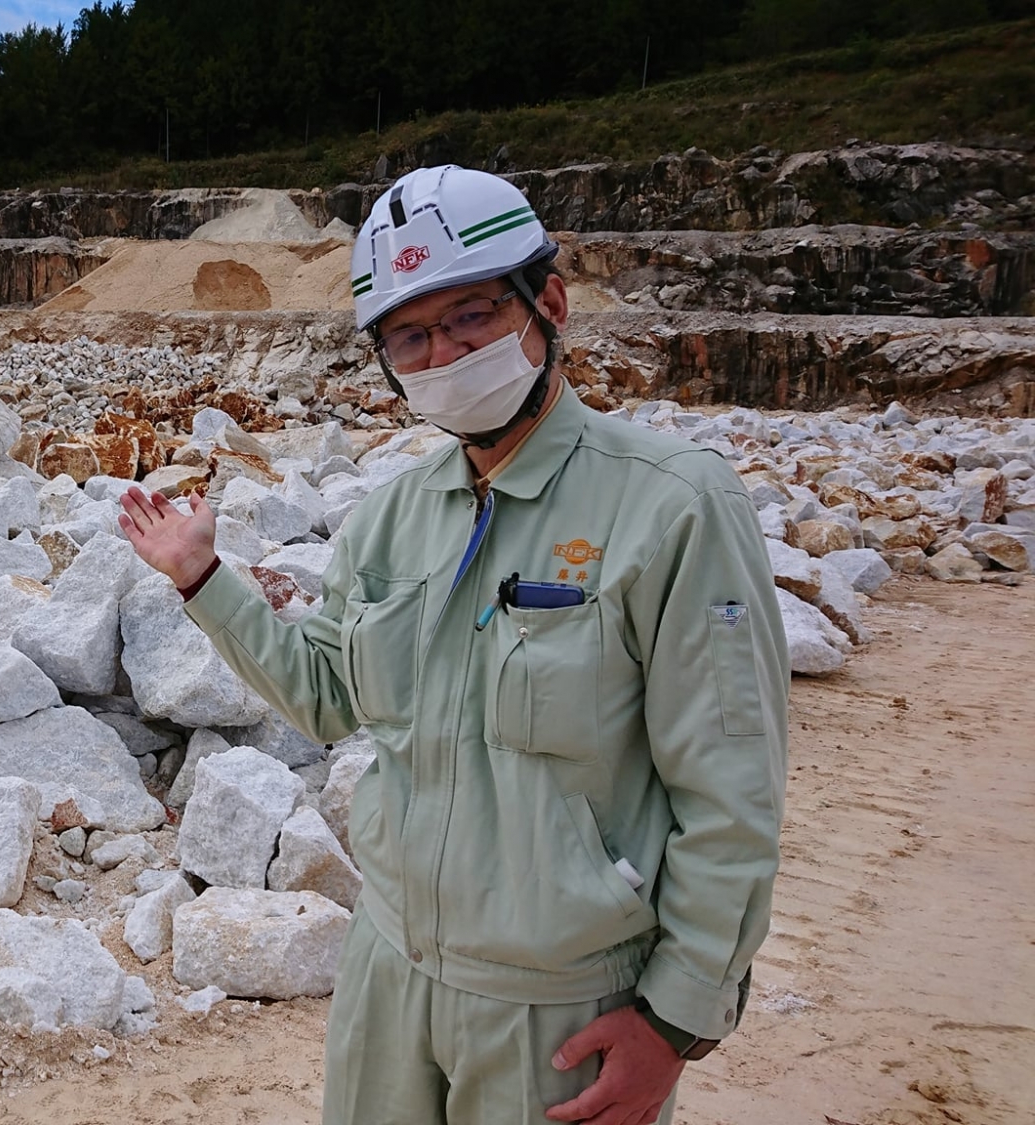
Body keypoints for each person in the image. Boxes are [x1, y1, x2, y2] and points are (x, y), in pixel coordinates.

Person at [119, 165, 789, 1125]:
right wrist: (201, 579)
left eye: (470, 317)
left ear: (546, 304)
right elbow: (326, 693)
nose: (442, 353)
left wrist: (676, 1023)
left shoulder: (673, 505)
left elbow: (732, 794)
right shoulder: (393, 517)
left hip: (557, 1007)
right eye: (410, 336)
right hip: (390, 976)